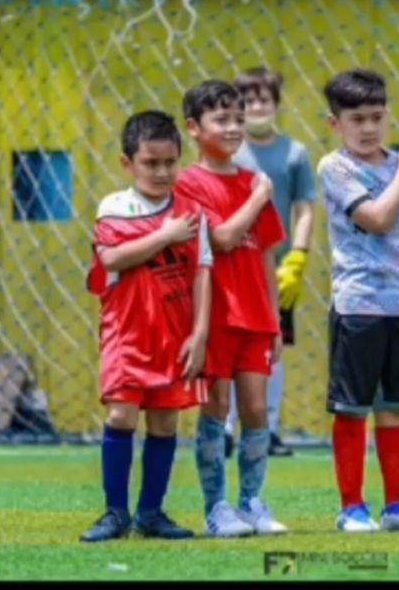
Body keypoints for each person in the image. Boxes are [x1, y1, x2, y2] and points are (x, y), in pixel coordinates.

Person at [317, 69, 399, 533]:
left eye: (376, 116)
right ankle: (352, 508)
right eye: (357, 119)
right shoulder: (335, 168)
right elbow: (376, 218)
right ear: (335, 124)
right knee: (353, 408)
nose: (369, 128)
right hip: (358, 305)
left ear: (387, 114)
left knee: (393, 408)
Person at [81, 110, 212, 542]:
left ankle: (151, 513)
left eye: (169, 162)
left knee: (165, 423)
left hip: (174, 335)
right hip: (127, 332)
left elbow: (202, 273)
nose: (161, 172)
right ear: (128, 163)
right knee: (122, 414)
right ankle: (115, 513)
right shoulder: (115, 207)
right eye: (150, 163)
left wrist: (199, 334)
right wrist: (165, 236)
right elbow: (111, 259)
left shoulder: (193, 212)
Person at [175, 80, 289, 537]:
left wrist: (275, 321)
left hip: (255, 316)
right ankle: (217, 507)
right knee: (217, 407)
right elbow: (221, 239)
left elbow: (265, 254)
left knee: (256, 409)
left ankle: (253, 503)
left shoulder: (249, 180)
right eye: (221, 119)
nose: (232, 128)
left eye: (238, 120)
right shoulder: (189, 183)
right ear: (194, 127)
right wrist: (258, 197)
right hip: (216, 315)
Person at [222, 66, 317, 459]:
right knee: (230, 347)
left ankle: (270, 428)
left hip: (275, 269)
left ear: (277, 104)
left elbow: (305, 208)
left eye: (264, 99)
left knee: (274, 348)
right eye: (248, 101)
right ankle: (226, 428)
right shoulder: (230, 153)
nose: (257, 107)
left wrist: (298, 257)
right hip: (234, 265)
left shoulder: (295, 153)